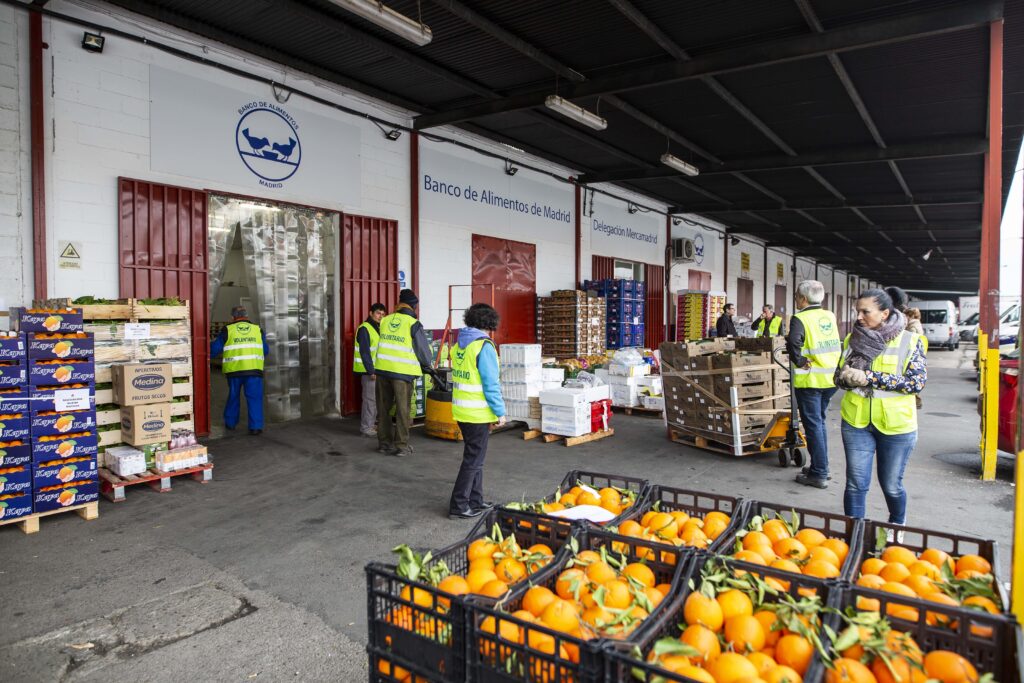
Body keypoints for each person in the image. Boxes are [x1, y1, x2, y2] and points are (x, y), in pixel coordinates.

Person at [835, 288, 926, 526]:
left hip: (896, 427)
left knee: (891, 485)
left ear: (884, 313)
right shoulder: (852, 339)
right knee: (855, 484)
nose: (859, 317)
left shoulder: (909, 340)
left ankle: (896, 528)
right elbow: (837, 378)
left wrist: (869, 378)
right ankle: (855, 534)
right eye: (857, 311)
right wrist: (847, 378)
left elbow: (915, 383)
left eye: (865, 312)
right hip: (856, 422)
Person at [448, 303, 506, 519]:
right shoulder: (484, 346)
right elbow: (490, 384)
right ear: (490, 322)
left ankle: (475, 500)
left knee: (475, 458)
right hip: (477, 413)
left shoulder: (460, 345)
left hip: (462, 410)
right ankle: (458, 505)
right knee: (473, 460)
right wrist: (500, 411)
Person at [787, 281, 842, 488]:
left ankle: (819, 473)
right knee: (819, 422)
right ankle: (821, 466)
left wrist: (800, 360)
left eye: (796, 295)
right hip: (831, 379)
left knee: (813, 425)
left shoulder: (800, 318)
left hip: (811, 380)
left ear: (803, 298)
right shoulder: (829, 316)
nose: (795, 298)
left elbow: (793, 342)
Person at [374, 289, 433, 457]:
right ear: (414, 306)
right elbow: (423, 352)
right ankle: (401, 446)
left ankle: (384, 444)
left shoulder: (385, 320)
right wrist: (427, 365)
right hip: (402, 373)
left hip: (382, 371)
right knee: (402, 410)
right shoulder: (413, 323)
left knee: (383, 409)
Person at [210, 305, 270, 435]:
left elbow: (214, 350)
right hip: (254, 370)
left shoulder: (227, 330)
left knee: (233, 396)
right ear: (246, 316)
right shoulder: (258, 330)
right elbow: (265, 350)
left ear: (232, 317)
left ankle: (230, 423)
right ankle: (255, 427)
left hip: (234, 371)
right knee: (255, 398)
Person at [354, 303, 386, 438]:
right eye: (378, 313)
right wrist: (371, 371)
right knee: (369, 400)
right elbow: (365, 352)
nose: (380, 316)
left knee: (375, 400)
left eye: (383, 314)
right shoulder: (364, 328)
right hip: (368, 372)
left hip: (377, 371)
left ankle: (371, 424)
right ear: (371, 313)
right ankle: (366, 428)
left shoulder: (378, 328)